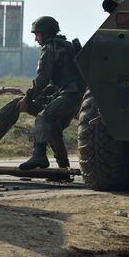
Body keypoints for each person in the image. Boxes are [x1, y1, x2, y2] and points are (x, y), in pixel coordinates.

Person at [16, 16, 85, 170]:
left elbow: (43, 78)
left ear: (46, 34)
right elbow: (59, 78)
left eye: (37, 34)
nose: (35, 39)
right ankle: (63, 169)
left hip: (69, 94)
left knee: (43, 118)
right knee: (52, 126)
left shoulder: (50, 47)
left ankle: (39, 156)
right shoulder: (66, 46)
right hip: (78, 95)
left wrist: (27, 98)